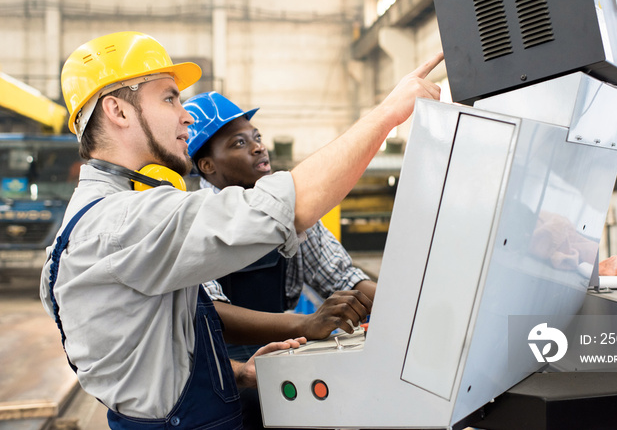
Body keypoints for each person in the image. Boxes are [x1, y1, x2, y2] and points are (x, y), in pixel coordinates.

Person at [39, 30, 443, 429]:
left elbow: (147, 353)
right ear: (118, 111)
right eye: (169, 97)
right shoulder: (122, 221)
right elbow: (286, 207)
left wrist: (232, 372)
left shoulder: (94, 221)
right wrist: (390, 112)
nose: (186, 114)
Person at [184, 92, 377, 430]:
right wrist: (305, 325)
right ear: (207, 166)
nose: (258, 147)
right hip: (219, 367)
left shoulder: (289, 212)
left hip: (280, 349)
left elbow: (343, 277)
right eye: (239, 143)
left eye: (257, 137)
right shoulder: (190, 221)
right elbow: (211, 314)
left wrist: (413, 304)